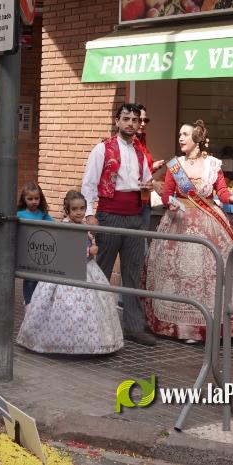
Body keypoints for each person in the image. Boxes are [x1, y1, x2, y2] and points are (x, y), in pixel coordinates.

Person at [144, 120, 233, 343]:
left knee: (208, 274)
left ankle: (207, 326)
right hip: (178, 221)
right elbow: (167, 193)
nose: (180, 138)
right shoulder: (175, 165)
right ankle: (182, 327)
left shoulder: (212, 165)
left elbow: (223, 193)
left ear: (197, 139)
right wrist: (169, 202)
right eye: (179, 134)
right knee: (180, 274)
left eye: (185, 135)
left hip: (209, 222)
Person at [82, 103, 157, 346]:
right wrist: (90, 214)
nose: (130, 124)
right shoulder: (102, 149)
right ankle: (95, 322)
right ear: (117, 121)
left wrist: (150, 186)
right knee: (101, 271)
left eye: (135, 120)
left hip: (135, 216)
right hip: (109, 215)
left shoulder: (140, 153)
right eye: (126, 119)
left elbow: (146, 182)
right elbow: (89, 183)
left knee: (132, 272)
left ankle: (133, 326)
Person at [16, 190, 123, 355]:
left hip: (88, 269)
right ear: (68, 211)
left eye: (82, 208)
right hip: (68, 269)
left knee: (94, 305)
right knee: (64, 304)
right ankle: (58, 342)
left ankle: (91, 342)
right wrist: (90, 251)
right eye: (75, 209)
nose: (79, 212)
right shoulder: (66, 226)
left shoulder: (84, 226)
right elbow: (67, 250)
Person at [16, 182, 54, 304]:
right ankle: (28, 302)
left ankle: (37, 302)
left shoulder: (42, 215)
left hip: (40, 252)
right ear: (24, 199)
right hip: (26, 253)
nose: (34, 201)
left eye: (36, 198)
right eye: (30, 199)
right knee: (29, 279)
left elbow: (55, 224)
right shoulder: (19, 215)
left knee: (39, 279)